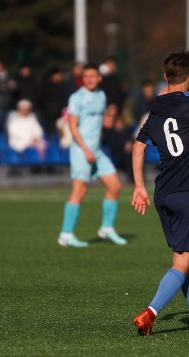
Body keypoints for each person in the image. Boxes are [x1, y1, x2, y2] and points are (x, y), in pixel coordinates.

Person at [131, 50, 189, 336]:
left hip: (163, 192)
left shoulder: (155, 110)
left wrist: (138, 186)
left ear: (165, 77)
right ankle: (150, 313)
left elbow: (138, 146)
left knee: (184, 259)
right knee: (183, 261)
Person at [57, 63, 126, 247]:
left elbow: (100, 120)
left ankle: (107, 228)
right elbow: (72, 125)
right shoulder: (77, 97)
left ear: (99, 78)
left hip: (96, 151)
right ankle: (65, 234)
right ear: (83, 79)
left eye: (92, 76)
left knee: (115, 186)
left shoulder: (102, 96)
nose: (89, 79)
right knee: (79, 190)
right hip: (82, 151)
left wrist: (109, 120)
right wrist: (86, 150)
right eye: (86, 76)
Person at [0, 59, 16, 134]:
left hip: (7, 104)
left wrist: (4, 87)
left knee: (5, 127)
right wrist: (6, 86)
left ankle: (3, 144)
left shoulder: (8, 76)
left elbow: (13, 87)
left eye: (1, 65)